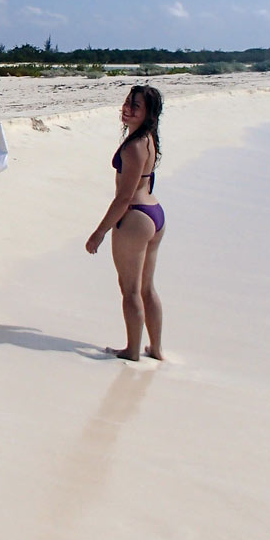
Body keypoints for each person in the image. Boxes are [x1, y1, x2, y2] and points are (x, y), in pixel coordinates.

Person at [86, 85, 165, 361]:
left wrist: (99, 232)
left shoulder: (133, 147)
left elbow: (123, 198)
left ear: (148, 114)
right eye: (127, 102)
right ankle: (155, 348)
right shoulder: (148, 139)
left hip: (135, 216)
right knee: (147, 287)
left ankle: (132, 350)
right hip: (154, 213)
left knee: (130, 289)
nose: (128, 109)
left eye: (136, 106)